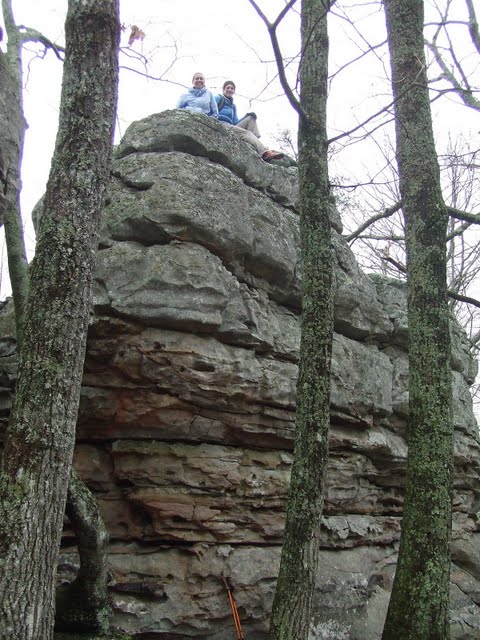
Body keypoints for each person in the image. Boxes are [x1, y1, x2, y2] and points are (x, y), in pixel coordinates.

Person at [215, 80, 284, 163]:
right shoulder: (219, 98)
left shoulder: (233, 106)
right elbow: (210, 107)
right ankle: (265, 153)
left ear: (234, 91)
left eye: (232, 88)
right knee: (248, 133)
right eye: (228, 88)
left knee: (251, 118)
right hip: (221, 125)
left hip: (231, 126)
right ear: (223, 89)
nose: (230, 90)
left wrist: (247, 116)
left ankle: (255, 142)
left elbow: (235, 122)